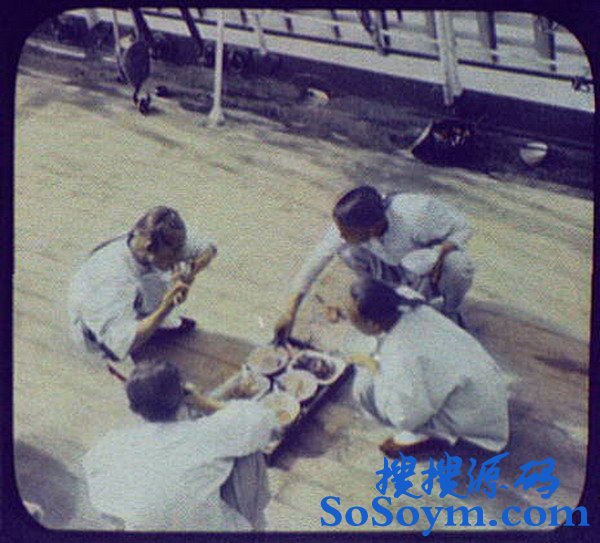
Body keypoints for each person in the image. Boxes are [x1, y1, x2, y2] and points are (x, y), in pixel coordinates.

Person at [82, 360, 280, 531]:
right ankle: (256, 527)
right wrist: (204, 402)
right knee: (248, 448)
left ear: (134, 409)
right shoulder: (203, 435)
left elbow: (104, 506)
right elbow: (266, 422)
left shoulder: (110, 446)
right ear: (183, 394)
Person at [274, 185, 474, 344]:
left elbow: (464, 227)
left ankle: (449, 312)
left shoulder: (416, 212)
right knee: (347, 251)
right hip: (390, 267)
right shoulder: (352, 221)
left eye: (345, 232)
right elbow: (316, 260)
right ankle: (385, 301)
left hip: (425, 266)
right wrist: (290, 312)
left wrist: (442, 251)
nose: (340, 235)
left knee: (457, 264)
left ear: (373, 228)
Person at [345, 278, 509, 457]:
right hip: (486, 389)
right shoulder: (408, 302)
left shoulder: (403, 355)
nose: (348, 318)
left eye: (353, 319)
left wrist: (374, 368)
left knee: (364, 387)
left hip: (476, 426)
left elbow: (404, 418)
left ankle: (429, 437)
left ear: (373, 324)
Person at [68, 206, 217, 363]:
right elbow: (116, 344)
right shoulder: (113, 278)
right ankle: (149, 332)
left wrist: (189, 272)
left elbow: (208, 248)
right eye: (171, 257)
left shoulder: (150, 239)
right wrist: (166, 308)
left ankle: (152, 323)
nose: (176, 259)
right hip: (98, 336)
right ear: (149, 247)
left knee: (157, 281)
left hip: (130, 301)